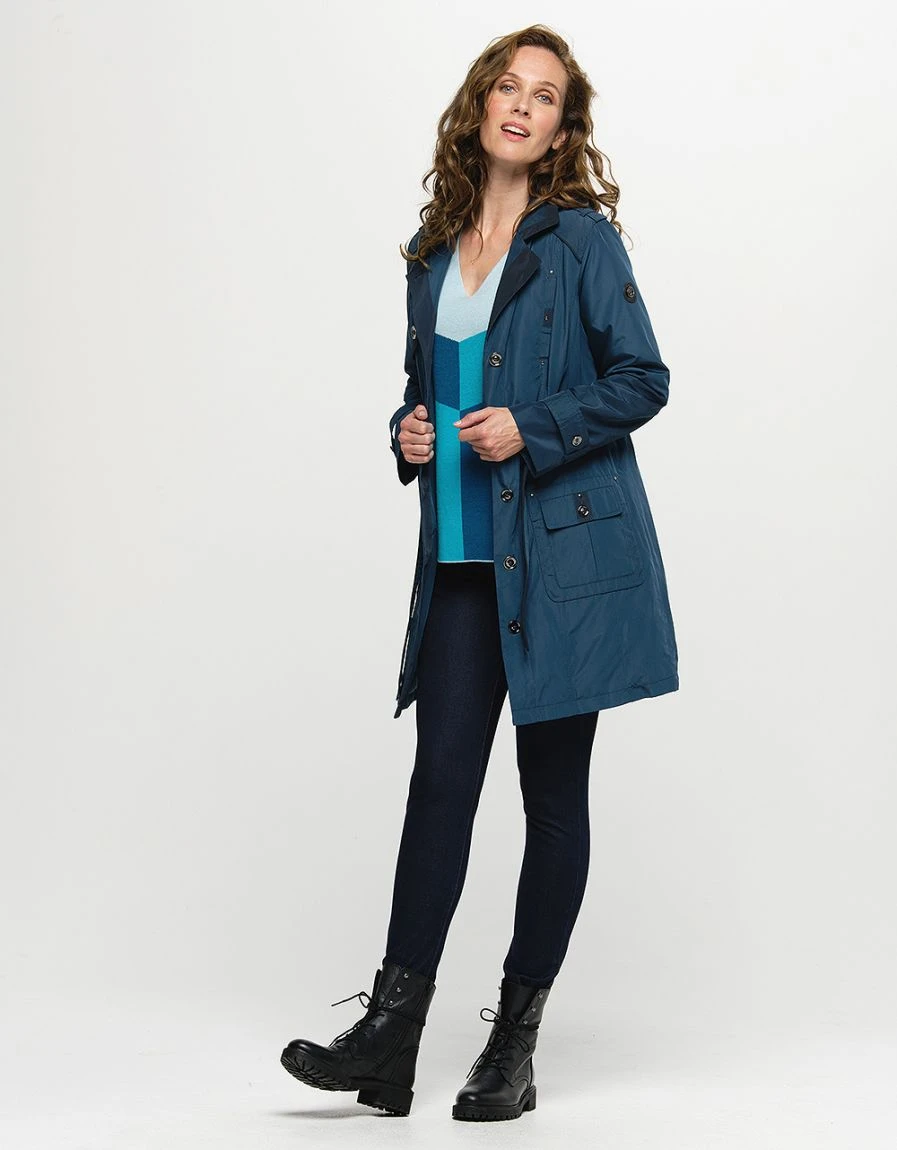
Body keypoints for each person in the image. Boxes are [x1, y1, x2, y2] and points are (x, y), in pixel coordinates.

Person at [281, 23, 678, 1121]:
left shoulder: (582, 242)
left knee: (551, 800)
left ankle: (512, 1045)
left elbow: (643, 378)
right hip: (459, 558)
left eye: (545, 97)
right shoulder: (432, 248)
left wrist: (533, 428)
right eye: (508, 86)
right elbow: (429, 387)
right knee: (439, 790)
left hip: (558, 567)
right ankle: (390, 1038)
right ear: (480, 105)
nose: (521, 105)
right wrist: (407, 431)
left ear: (561, 130)